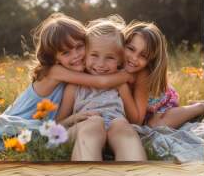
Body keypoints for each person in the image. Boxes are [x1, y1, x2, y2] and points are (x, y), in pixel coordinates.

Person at [2, 13, 134, 127]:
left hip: (49, 125)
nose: (75, 55)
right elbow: (101, 82)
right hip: (21, 121)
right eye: (66, 53)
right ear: (55, 58)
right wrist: (127, 76)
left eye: (79, 46)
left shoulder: (76, 74)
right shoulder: (55, 71)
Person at [56, 15, 147, 161]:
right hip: (83, 128)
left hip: (114, 128)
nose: (101, 64)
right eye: (94, 55)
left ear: (120, 60)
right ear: (85, 55)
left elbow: (133, 120)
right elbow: (59, 123)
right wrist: (74, 118)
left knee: (122, 126)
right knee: (94, 122)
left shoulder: (120, 85)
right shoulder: (74, 87)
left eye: (110, 57)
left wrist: (124, 122)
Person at [117, 21, 204, 129]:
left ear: (150, 60)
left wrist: (121, 84)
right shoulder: (111, 64)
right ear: (122, 44)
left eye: (143, 55)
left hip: (162, 106)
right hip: (139, 107)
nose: (134, 58)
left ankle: (200, 107)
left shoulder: (142, 74)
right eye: (131, 49)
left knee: (154, 125)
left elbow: (137, 121)